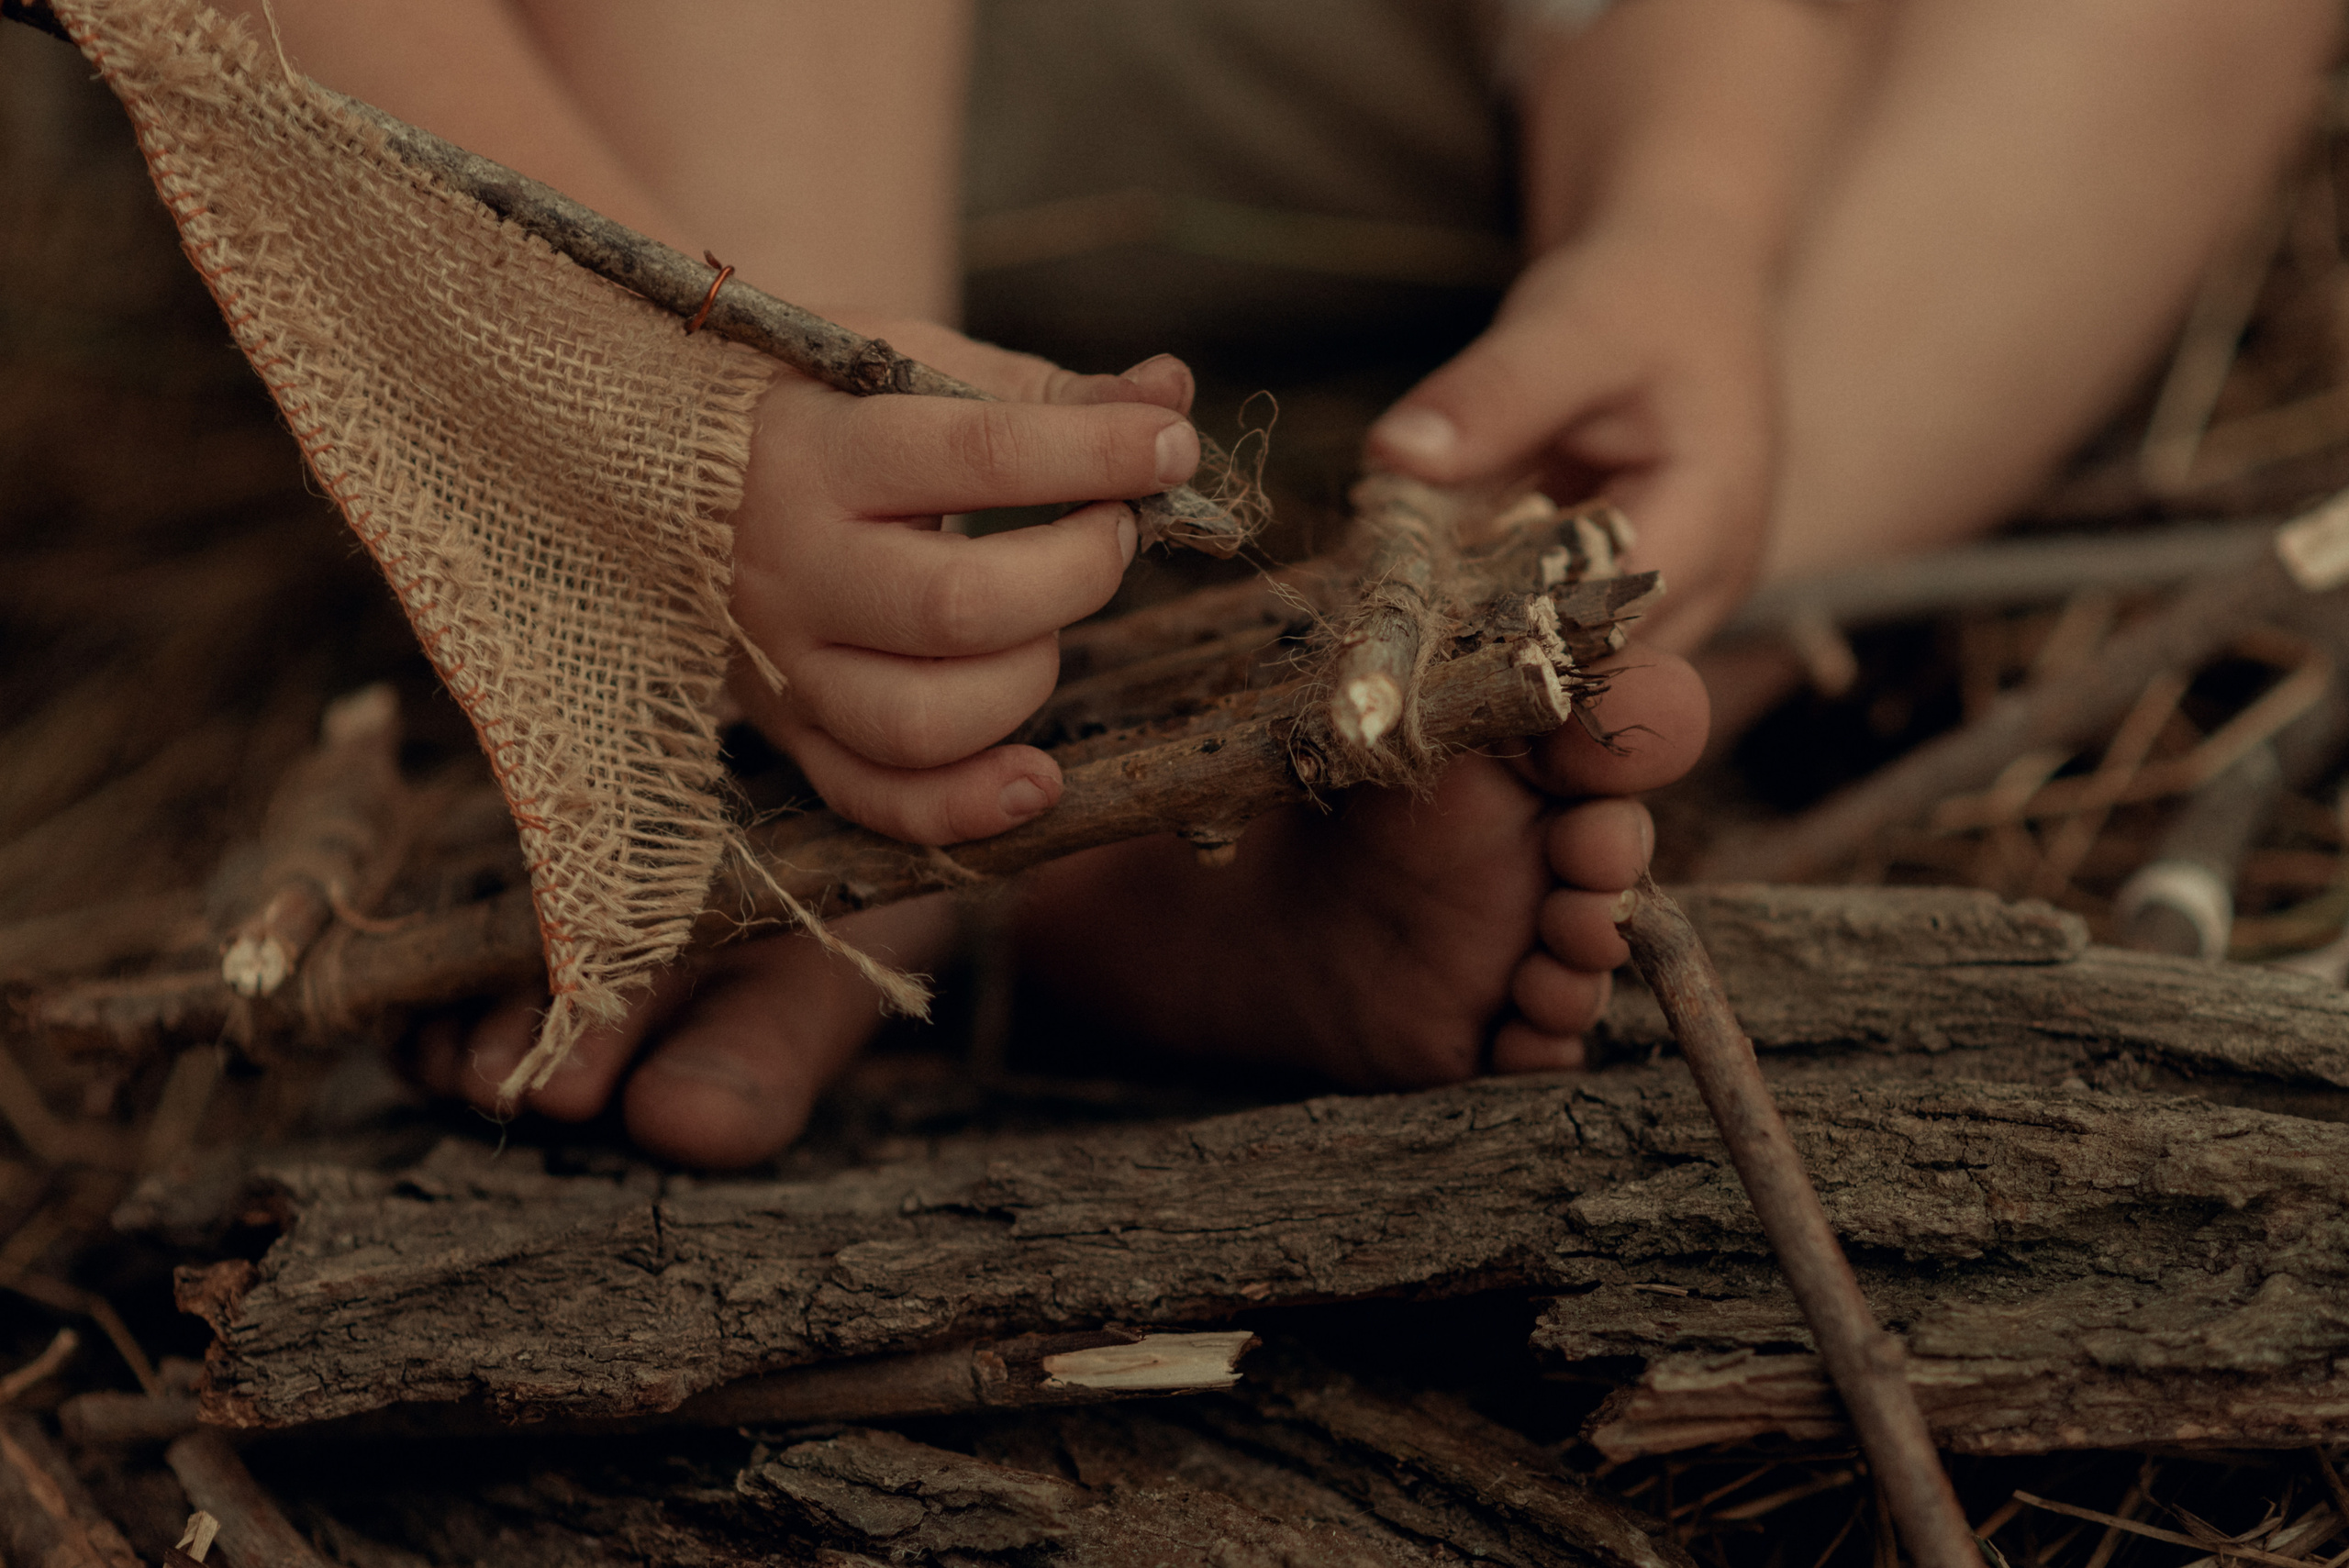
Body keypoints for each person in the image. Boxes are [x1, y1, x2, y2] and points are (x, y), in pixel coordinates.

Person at [215, 0, 2334, 1167]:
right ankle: (877, 740)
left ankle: (1450, 692)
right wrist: (660, 394)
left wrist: (1680, 215)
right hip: (508, 127)